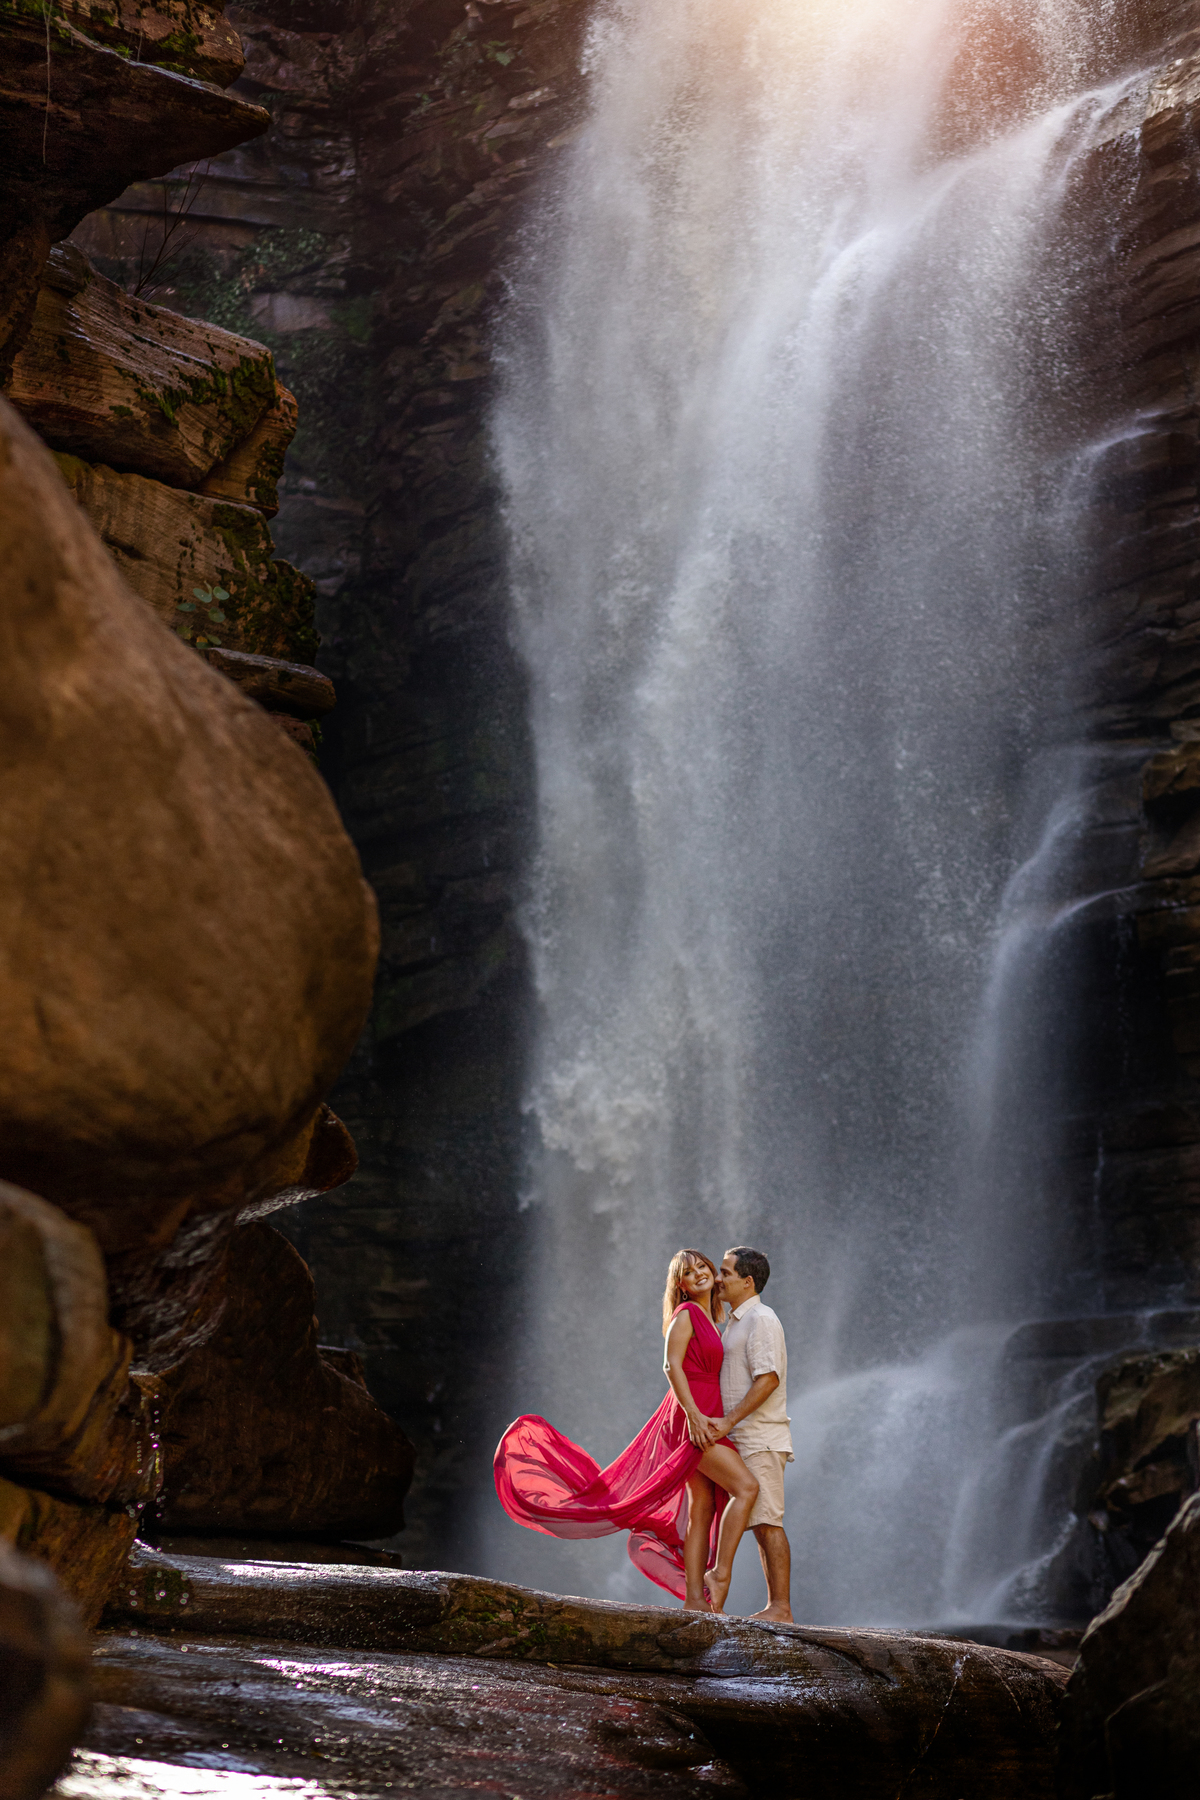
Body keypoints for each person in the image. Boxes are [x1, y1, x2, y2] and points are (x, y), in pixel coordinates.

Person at [493, 1248, 759, 1612]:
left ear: (712, 1272)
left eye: (702, 1266)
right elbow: (671, 1366)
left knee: (702, 1510)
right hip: (692, 1421)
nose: (698, 1273)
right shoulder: (687, 1314)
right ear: (679, 1285)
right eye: (688, 1271)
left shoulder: (709, 1317)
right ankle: (720, 1575)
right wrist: (694, 1416)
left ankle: (696, 1600)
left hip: (703, 1415)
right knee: (746, 1487)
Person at [711, 1246, 794, 1623]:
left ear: (748, 1281)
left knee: (768, 1523)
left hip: (759, 1437)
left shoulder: (762, 1318)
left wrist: (728, 1421)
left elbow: (769, 1379)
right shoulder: (735, 1320)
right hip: (739, 1437)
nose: (718, 1278)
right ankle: (715, 1593)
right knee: (757, 1522)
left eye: (726, 1272)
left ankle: (781, 1608)